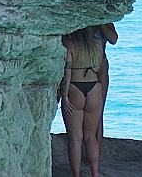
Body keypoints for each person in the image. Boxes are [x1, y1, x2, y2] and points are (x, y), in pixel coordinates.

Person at [59, 27, 104, 177]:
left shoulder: (69, 45)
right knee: (90, 136)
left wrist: (64, 97)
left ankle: (76, 175)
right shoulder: (97, 44)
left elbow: (67, 73)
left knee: (75, 138)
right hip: (94, 88)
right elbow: (98, 67)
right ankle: (95, 173)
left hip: (75, 89)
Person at [94, 22, 118, 160]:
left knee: (98, 111)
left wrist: (101, 22)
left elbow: (113, 39)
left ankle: (98, 150)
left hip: (100, 68)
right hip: (82, 67)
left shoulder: (105, 22)